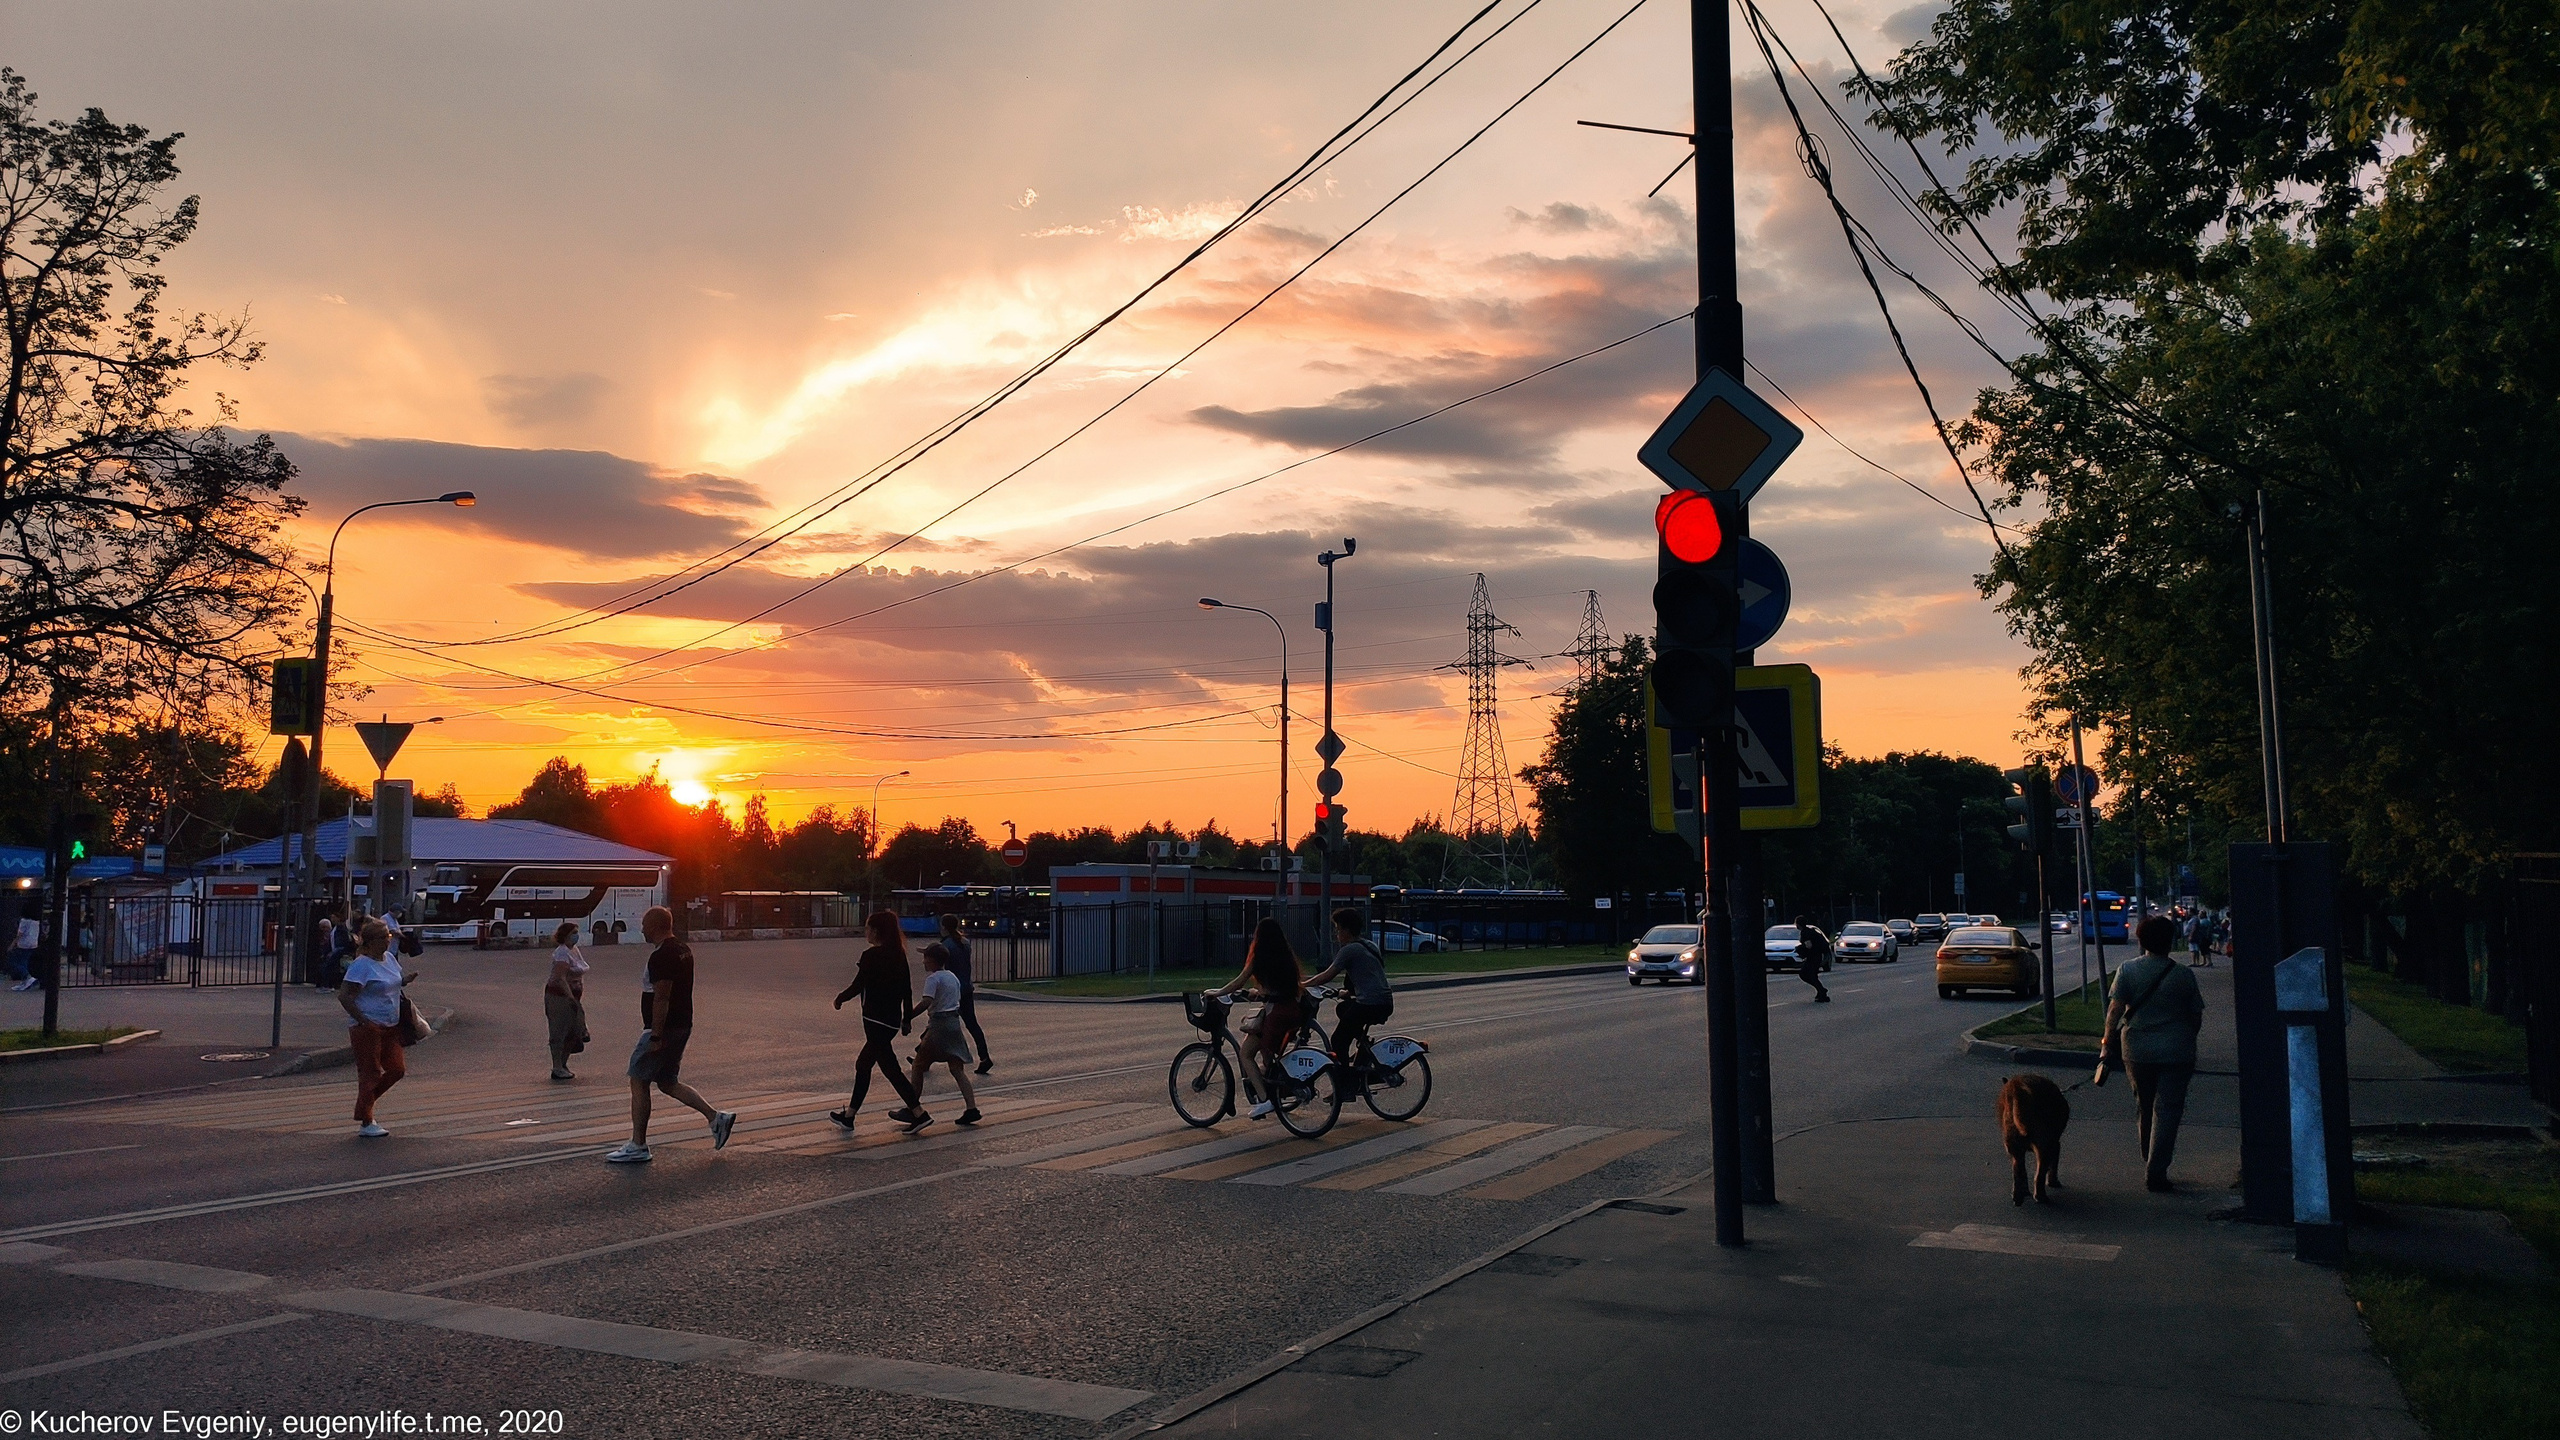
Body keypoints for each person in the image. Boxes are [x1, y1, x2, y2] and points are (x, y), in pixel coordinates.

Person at [606, 906, 737, 1164]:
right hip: (681, 1024)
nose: (641, 929)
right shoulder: (682, 948)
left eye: (644, 924)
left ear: (655, 925)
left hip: (664, 1029)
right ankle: (716, 1118)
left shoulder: (662, 955)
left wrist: (655, 1035)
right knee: (667, 1082)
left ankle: (638, 1145)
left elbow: (662, 996)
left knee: (638, 1080)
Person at [2102, 914, 2207, 1193]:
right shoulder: (2183, 975)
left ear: (2140, 939)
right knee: (2169, 1110)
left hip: (2137, 1049)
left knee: (2144, 1106)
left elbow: (2115, 1010)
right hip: (2177, 1050)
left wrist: (2106, 1042)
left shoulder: (2127, 969)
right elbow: (2195, 1016)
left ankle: (2148, 1157)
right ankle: (2156, 1170)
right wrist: (2184, 1038)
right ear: (2170, 941)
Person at [830, 910, 929, 1135]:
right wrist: (905, 1020)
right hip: (891, 1022)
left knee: (877, 1067)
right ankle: (850, 1116)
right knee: (876, 1066)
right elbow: (907, 989)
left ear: (875, 931)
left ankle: (920, 1114)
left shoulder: (871, 956)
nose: (866, 932)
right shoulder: (899, 954)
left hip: (875, 1020)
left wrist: (840, 999)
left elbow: (858, 985)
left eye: (867, 928)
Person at [1211, 917, 1304, 1121]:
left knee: (1246, 1054)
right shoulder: (1287, 956)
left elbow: (1238, 982)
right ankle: (1275, 1089)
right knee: (1268, 1058)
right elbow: (1281, 988)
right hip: (1292, 1012)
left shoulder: (1260, 957)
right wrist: (1259, 993)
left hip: (1275, 1014)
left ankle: (1264, 1100)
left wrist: (1217, 993)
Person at [335, 919, 413, 1138]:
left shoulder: (388, 959)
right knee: (370, 1074)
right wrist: (362, 1020)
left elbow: (393, 982)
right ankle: (367, 1122)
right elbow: (345, 996)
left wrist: (406, 980)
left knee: (397, 1070)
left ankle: (363, 1107)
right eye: (384, 937)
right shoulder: (361, 965)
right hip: (368, 1027)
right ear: (371, 941)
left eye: (389, 936)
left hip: (391, 1025)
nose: (388, 941)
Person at [903, 942, 983, 1126]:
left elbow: (926, 1002)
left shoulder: (933, 979)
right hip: (954, 1023)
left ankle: (913, 1110)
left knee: (918, 1065)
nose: (923, 962)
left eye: (925, 958)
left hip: (939, 1025)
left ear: (931, 960)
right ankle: (972, 1108)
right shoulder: (952, 977)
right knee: (957, 1069)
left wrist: (908, 1017)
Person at [1306, 907, 1392, 1071]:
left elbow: (1326, 976)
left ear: (1346, 930)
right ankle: (1364, 1049)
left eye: (1337, 929)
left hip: (1369, 1004)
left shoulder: (1349, 950)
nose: (1336, 934)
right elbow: (1366, 974)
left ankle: (1345, 1083)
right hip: (1385, 1002)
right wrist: (1348, 992)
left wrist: (1302, 986)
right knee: (1343, 1008)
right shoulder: (1370, 945)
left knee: (1338, 1040)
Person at [937, 912, 993, 1075]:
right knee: (972, 1025)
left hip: (954, 990)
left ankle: (922, 1056)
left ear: (944, 927)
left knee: (939, 1019)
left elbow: (943, 967)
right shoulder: (964, 942)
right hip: (966, 988)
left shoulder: (946, 945)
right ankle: (984, 1057)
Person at [545, 920, 591, 1080]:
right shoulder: (562, 953)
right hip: (560, 996)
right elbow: (559, 978)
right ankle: (557, 1066)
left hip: (573, 996)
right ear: (564, 936)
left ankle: (563, 1064)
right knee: (559, 1031)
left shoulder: (574, 950)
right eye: (573, 933)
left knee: (575, 1031)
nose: (576, 936)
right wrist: (570, 997)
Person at [1793, 914, 1833, 1002]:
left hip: (1813, 957)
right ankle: (1821, 992)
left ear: (1798, 924)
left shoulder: (1805, 933)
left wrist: (1800, 948)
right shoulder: (1810, 931)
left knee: (1804, 974)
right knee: (1813, 975)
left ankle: (1821, 990)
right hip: (1817, 956)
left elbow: (1809, 946)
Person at [7, 904, 38, 991]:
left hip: (24, 944)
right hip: (33, 944)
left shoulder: (24, 921)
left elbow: (20, 934)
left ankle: (27, 977)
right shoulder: (36, 921)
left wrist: (12, 944)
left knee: (15, 962)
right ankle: (25, 980)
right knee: (24, 961)